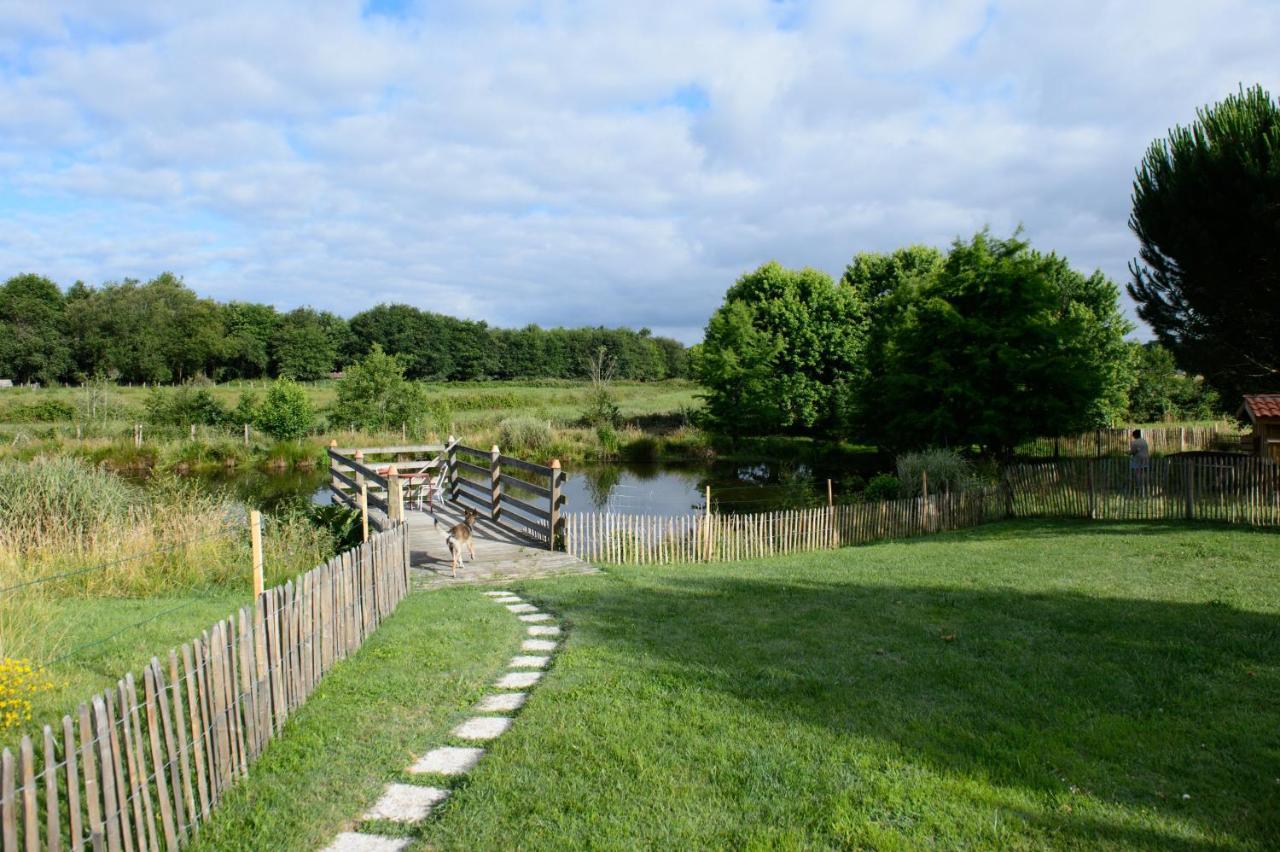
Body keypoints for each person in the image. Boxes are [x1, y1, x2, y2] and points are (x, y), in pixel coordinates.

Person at [1129, 429, 1150, 494]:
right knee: (1144, 472)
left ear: (1134, 435)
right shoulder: (1144, 441)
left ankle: (1139, 486)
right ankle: (1145, 485)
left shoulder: (1135, 442)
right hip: (1146, 459)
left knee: (1138, 473)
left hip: (1138, 459)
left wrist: (1127, 453)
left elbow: (1133, 452)